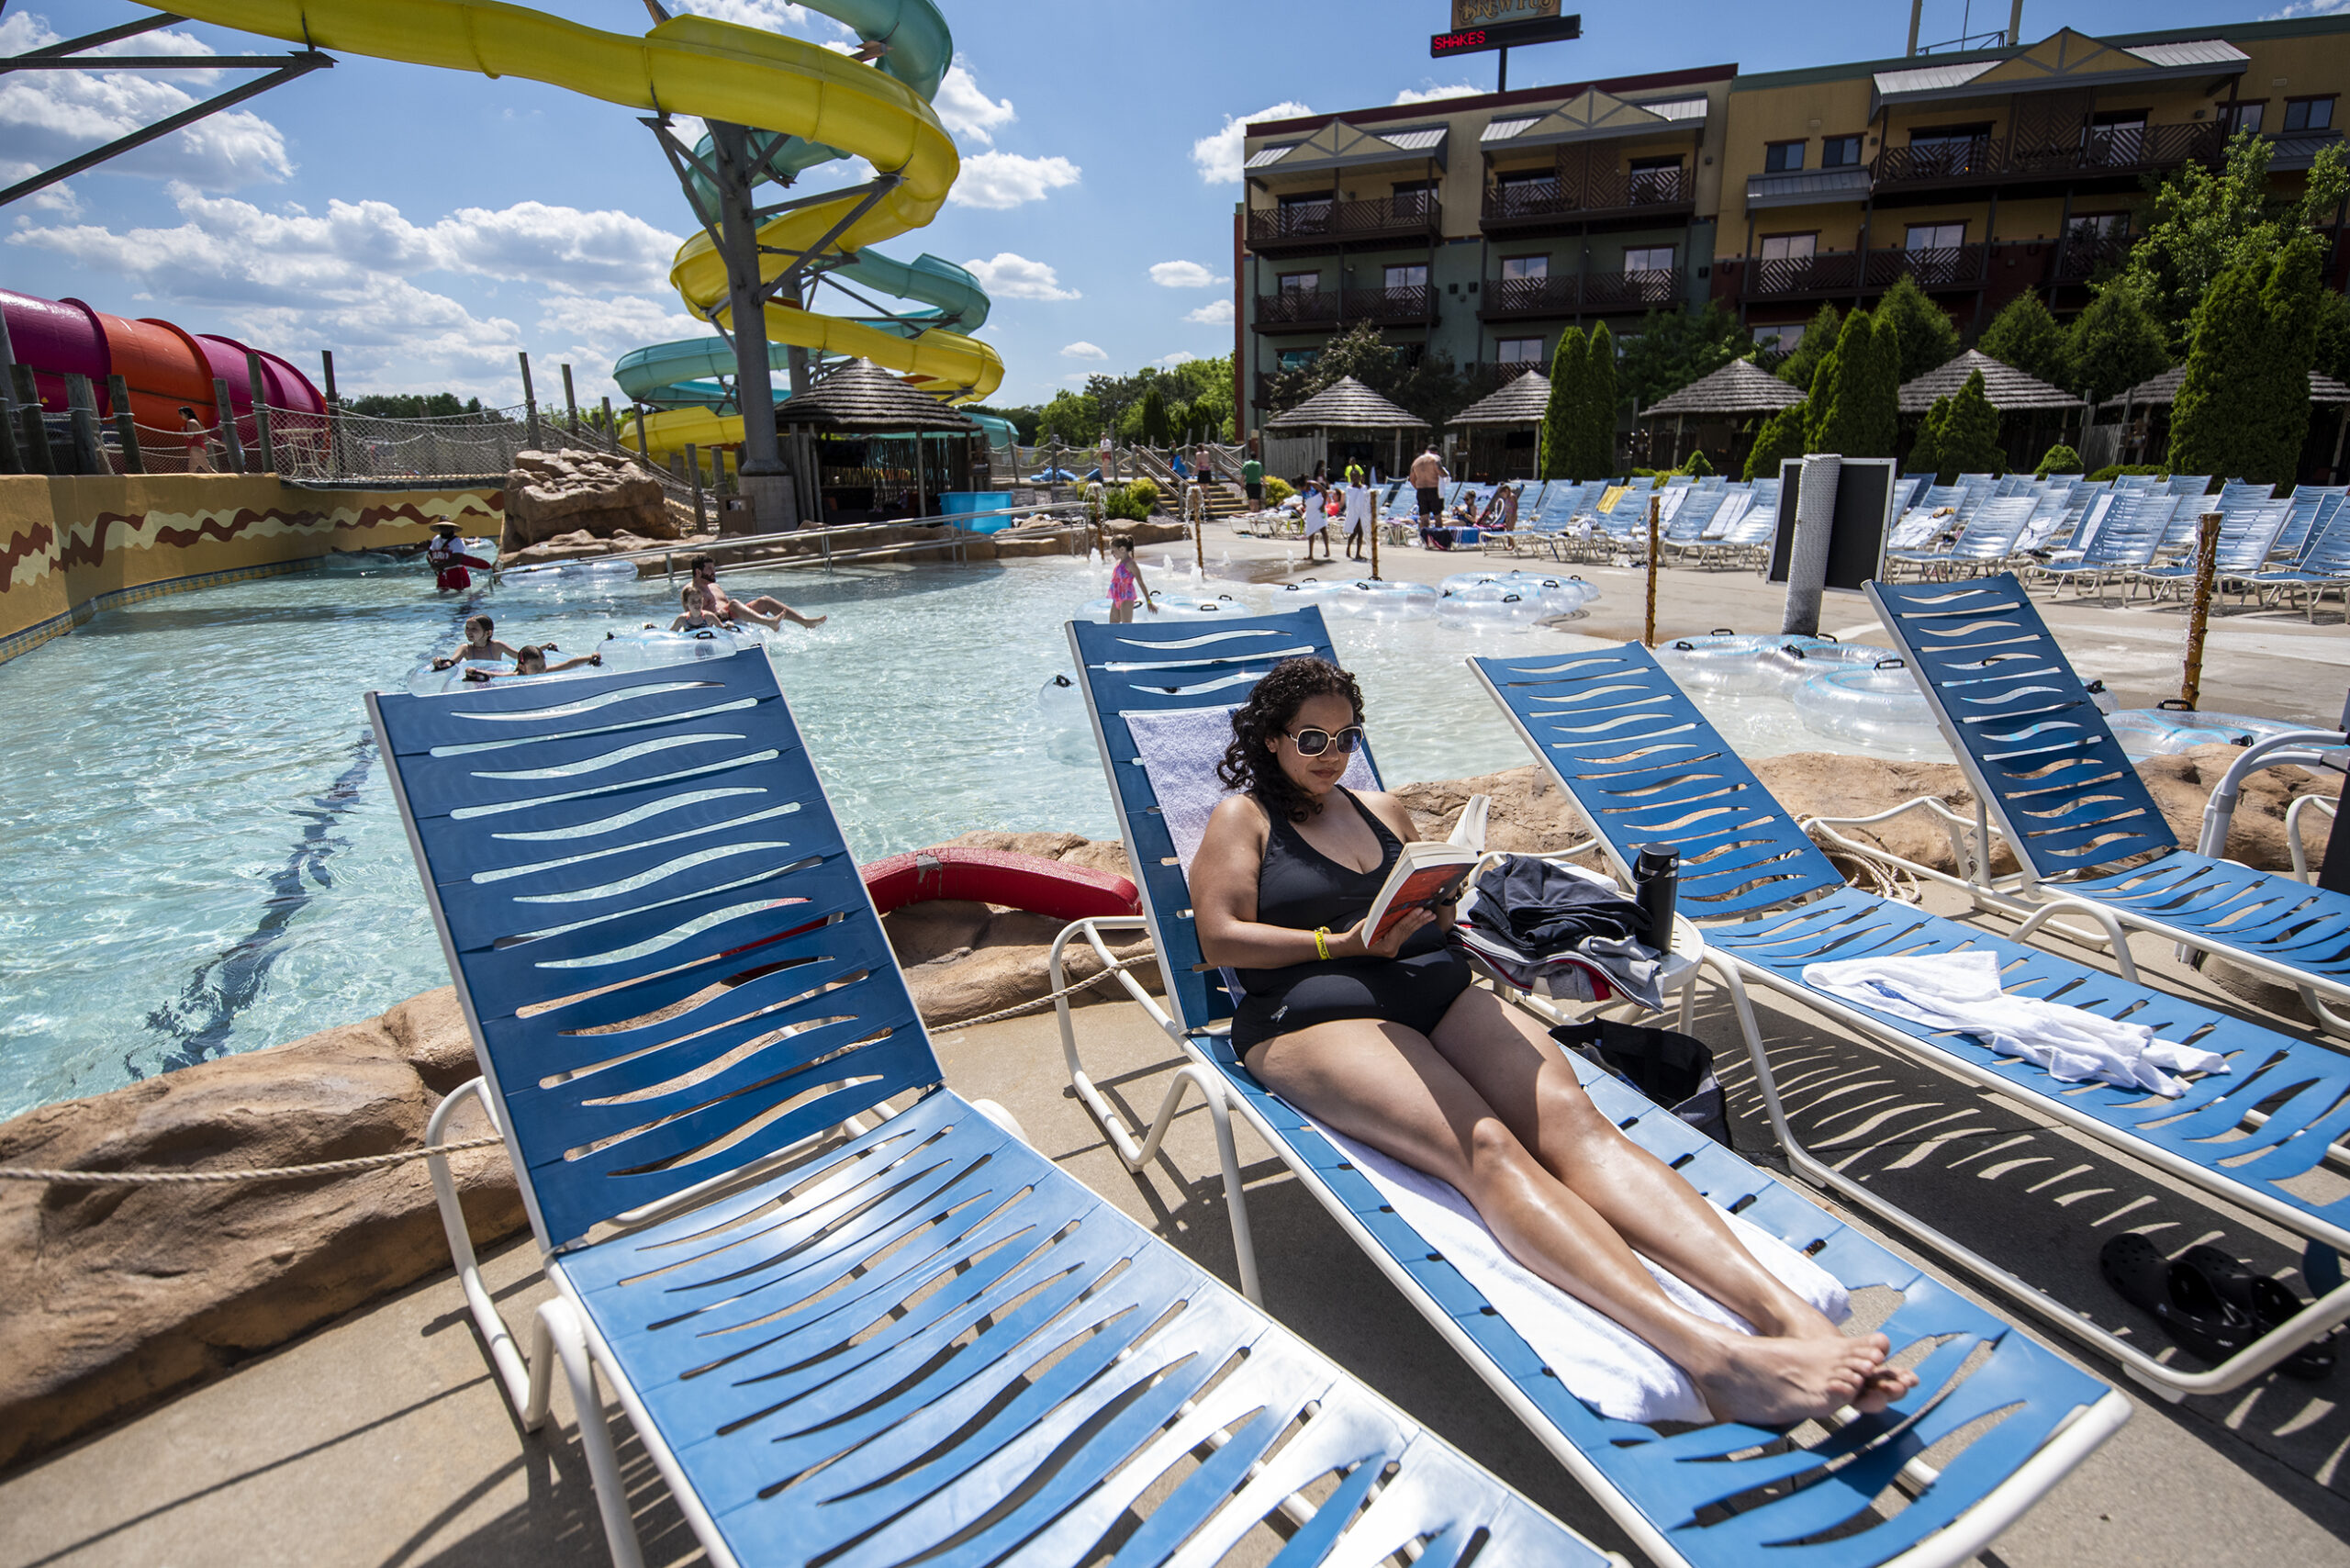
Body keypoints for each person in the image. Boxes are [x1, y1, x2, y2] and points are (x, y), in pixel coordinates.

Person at [1188, 658, 1917, 1426]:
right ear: (1271, 740)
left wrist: (1438, 906)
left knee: (1579, 1130)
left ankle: (1789, 1319)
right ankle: (1715, 1358)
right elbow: (1220, 937)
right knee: (1490, 1149)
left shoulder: (1383, 809)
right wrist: (1342, 944)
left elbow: (1439, 922)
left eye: (1345, 736)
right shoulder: (1245, 818)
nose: (1330, 753)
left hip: (1430, 988)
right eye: (1311, 738)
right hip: (1316, 1012)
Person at [688, 554, 826, 631]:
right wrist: (715, 615)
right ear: (698, 572)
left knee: (765, 601)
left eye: (714, 568)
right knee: (734, 604)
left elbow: (725, 604)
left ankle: (805, 622)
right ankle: (769, 622)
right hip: (717, 622)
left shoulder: (714, 586)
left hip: (732, 615)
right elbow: (692, 616)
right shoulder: (691, 591)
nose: (714, 572)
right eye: (710, 569)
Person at [463, 644, 602, 681]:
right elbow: (495, 676)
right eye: (535, 667)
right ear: (522, 666)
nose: (541, 669)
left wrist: (589, 657)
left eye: (543, 665)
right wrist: (476, 672)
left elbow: (568, 664)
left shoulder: (545, 671)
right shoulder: (517, 676)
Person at [431, 614, 519, 670]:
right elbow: (451, 662)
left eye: (474, 629)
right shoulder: (466, 649)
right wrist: (440, 663)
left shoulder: (497, 646)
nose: (468, 632)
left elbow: (522, 657)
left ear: (488, 633)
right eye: (467, 628)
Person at [425, 522, 492, 592]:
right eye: (442, 527)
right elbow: (429, 554)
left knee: (460, 593)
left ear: (452, 528)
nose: (444, 529)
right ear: (439, 528)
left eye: (447, 527)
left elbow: (457, 559)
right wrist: (432, 565)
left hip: (456, 572)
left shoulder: (457, 541)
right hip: (441, 572)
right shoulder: (436, 539)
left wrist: (440, 566)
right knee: (441, 592)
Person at [1106, 532, 1155, 623]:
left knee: (1126, 625)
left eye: (1113, 550)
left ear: (1122, 549)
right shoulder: (1119, 563)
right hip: (1117, 597)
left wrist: (1149, 602)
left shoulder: (1131, 564)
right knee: (1112, 625)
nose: (1112, 553)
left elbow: (1141, 582)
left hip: (1127, 597)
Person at [1408, 444, 1447, 530]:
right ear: (1435, 452)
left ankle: (1425, 539)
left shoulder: (1416, 461)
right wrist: (1446, 474)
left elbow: (1411, 479)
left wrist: (1418, 488)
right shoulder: (1435, 459)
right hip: (1433, 490)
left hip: (1421, 491)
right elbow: (1441, 473)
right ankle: (1438, 538)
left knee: (1424, 517)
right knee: (1438, 517)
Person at [180, 407, 215, 473]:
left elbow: (190, 436)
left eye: (181, 414)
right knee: (191, 469)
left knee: (208, 469)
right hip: (198, 448)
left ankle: (224, 482)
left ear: (186, 413)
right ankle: (194, 482)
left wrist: (183, 431)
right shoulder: (198, 422)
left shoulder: (190, 422)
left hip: (196, 448)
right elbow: (205, 437)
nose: (181, 416)